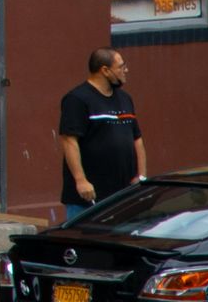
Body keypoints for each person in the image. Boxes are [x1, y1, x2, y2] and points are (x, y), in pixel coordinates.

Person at [58, 46, 146, 212]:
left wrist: (141, 176)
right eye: (121, 67)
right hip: (89, 197)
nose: (126, 70)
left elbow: (137, 139)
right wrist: (81, 180)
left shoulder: (125, 99)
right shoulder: (77, 99)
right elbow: (69, 141)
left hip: (123, 194)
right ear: (105, 70)